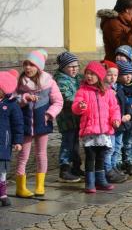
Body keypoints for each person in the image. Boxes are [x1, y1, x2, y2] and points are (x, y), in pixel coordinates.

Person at [13, 50, 62, 199]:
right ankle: (20, 187)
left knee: (41, 154)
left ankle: (40, 185)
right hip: (24, 125)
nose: (28, 67)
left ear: (39, 67)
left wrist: (49, 114)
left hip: (42, 123)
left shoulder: (49, 82)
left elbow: (58, 102)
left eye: (32, 64)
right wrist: (24, 98)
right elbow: (12, 100)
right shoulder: (19, 83)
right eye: (26, 64)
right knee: (23, 156)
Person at [71, 61, 122, 194]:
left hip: (104, 130)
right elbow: (75, 107)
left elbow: (114, 108)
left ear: (99, 76)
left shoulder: (108, 92)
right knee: (90, 157)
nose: (89, 76)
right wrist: (80, 107)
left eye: (92, 74)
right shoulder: (82, 91)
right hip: (89, 130)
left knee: (101, 156)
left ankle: (100, 180)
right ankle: (90, 182)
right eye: (87, 73)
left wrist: (116, 119)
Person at [53, 52, 83, 183]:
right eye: (71, 66)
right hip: (66, 119)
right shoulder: (60, 80)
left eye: (76, 66)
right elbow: (67, 97)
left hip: (76, 118)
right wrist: (81, 102)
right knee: (67, 143)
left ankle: (76, 166)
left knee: (75, 143)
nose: (74, 69)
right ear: (63, 67)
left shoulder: (77, 79)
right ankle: (64, 169)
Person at [99, 0, 132, 64]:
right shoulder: (112, 23)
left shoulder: (131, 19)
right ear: (127, 9)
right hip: (117, 66)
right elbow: (121, 47)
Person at [0, 71, 24, 207]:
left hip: (4, 143)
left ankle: (2, 193)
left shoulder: (11, 105)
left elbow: (18, 124)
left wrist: (17, 141)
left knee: (2, 170)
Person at [114, 61, 132, 175]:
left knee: (129, 141)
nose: (128, 76)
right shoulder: (117, 88)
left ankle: (129, 161)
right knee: (118, 143)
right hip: (119, 120)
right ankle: (118, 163)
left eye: (130, 73)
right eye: (125, 74)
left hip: (131, 119)